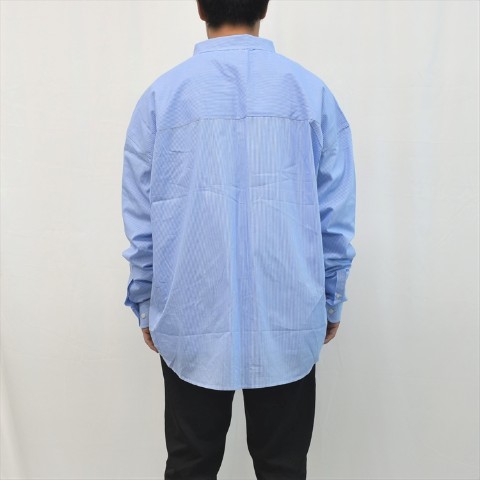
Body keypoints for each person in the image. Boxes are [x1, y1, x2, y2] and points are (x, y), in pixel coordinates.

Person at [121, 0, 356, 478]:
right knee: (283, 467)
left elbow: (142, 217)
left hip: (189, 319)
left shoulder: (162, 98)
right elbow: (334, 214)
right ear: (264, 7)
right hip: (288, 317)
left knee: (190, 465)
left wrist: (144, 300)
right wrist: (331, 299)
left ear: (200, 7)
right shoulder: (310, 94)